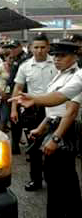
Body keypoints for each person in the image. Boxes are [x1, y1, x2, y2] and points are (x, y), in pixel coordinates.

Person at [27, 40, 82, 218]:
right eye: (56, 55)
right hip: (55, 125)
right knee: (65, 178)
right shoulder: (59, 74)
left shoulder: (77, 76)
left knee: (58, 178)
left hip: (66, 129)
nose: (57, 59)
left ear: (74, 57)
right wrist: (41, 128)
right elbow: (53, 111)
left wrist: (56, 139)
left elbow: (71, 112)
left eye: (62, 56)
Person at [11, 34, 57, 192]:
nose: (39, 51)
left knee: (53, 146)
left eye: (43, 47)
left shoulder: (56, 64)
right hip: (32, 110)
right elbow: (17, 89)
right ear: (30, 48)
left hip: (55, 108)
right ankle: (35, 180)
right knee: (34, 147)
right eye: (36, 47)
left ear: (48, 47)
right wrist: (14, 109)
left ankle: (51, 177)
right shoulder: (25, 66)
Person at [6, 39, 31, 154]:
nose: (12, 50)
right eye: (10, 48)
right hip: (13, 93)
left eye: (14, 47)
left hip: (22, 94)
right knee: (15, 122)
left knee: (25, 122)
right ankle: (15, 145)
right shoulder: (15, 59)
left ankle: (30, 148)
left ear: (20, 47)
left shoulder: (25, 60)